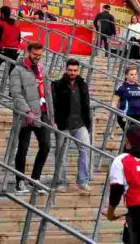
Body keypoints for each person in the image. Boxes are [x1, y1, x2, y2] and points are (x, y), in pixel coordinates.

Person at [10, 41, 54, 192]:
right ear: (28, 52)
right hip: (26, 115)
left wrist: (51, 116)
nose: (37, 58)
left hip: (42, 113)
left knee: (46, 145)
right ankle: (19, 181)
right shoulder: (17, 70)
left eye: (40, 55)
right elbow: (16, 94)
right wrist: (27, 111)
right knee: (23, 148)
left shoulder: (43, 69)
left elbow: (48, 93)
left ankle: (35, 179)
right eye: (35, 55)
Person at [51, 59, 92, 193]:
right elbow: (53, 105)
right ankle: (61, 182)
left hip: (80, 124)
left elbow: (86, 104)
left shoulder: (83, 85)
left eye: (75, 70)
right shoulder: (57, 85)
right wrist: (54, 121)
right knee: (61, 154)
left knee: (85, 150)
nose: (72, 73)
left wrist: (88, 123)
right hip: (63, 125)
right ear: (65, 69)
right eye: (70, 70)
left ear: (78, 70)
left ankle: (82, 181)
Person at [0, 6, 21, 94]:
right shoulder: (16, 26)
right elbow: (18, 40)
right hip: (14, 51)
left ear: (2, 14)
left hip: (2, 50)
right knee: (12, 71)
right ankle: (11, 92)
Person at [114, 66, 140, 136]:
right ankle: (125, 147)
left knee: (137, 136)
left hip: (138, 116)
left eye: (135, 74)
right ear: (126, 76)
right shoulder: (121, 87)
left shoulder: (138, 87)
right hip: (126, 116)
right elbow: (114, 102)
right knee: (129, 136)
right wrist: (117, 113)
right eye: (131, 74)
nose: (134, 76)